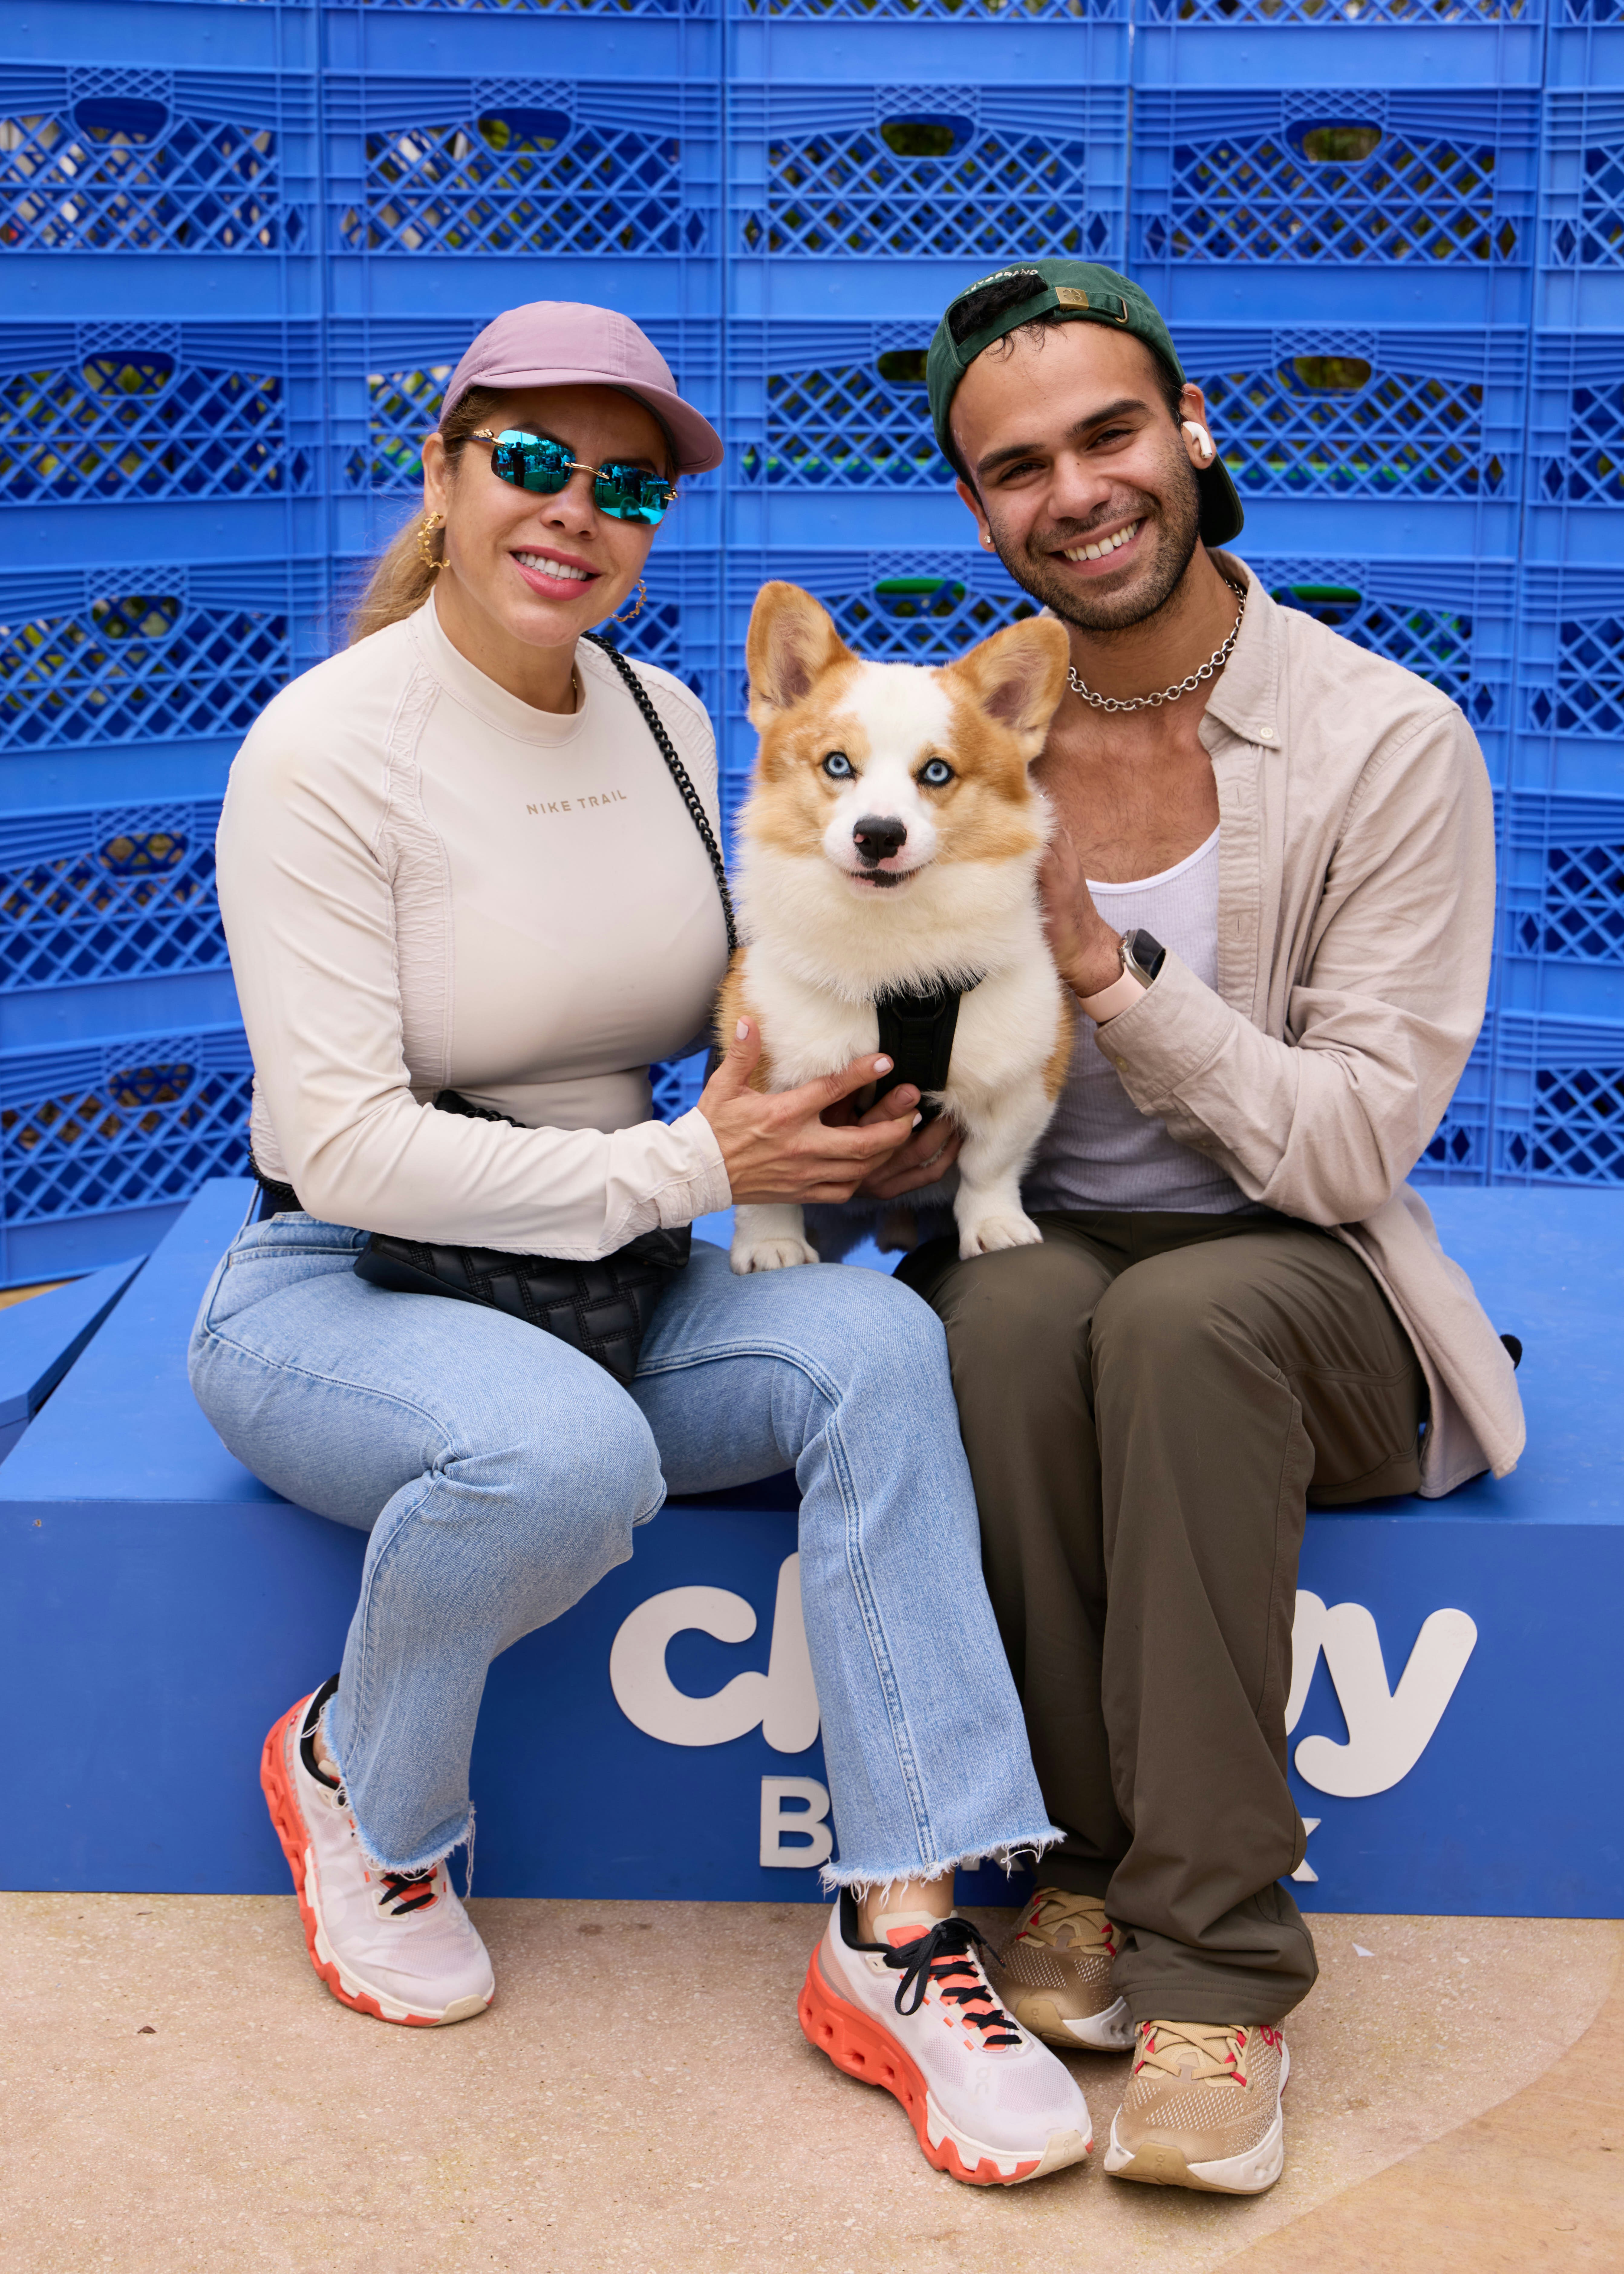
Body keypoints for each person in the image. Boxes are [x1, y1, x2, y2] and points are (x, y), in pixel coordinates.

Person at [187, 300, 1095, 2185]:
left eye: (622, 483)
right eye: (530, 460)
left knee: (873, 1350)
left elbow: (768, 1010)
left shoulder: (682, 725)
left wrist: (878, 1112)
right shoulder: (320, 750)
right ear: (442, 474)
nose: (574, 510)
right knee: (561, 1453)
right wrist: (699, 1167)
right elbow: (344, 1142)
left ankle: (905, 1930)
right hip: (347, 1283)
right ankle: (367, 1777)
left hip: (620, 1271)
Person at [892, 260, 1525, 2197]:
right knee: (997, 1320)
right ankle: (1079, 1873)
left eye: (1108, 434)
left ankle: (1221, 1972)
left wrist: (1108, 968)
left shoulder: (1382, 741)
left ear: (1192, 433)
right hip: (1051, 1250)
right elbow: (930, 1123)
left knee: (1180, 1326)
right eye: (1017, 469)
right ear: (980, 511)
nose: (1074, 491)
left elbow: (1345, 1150)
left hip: (1308, 1278)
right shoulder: (953, 745)